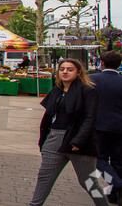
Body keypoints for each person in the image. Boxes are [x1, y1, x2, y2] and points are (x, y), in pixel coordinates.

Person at [29, 58, 108, 206]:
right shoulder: (57, 90)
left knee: (89, 181)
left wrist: (79, 140)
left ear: (78, 72)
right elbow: (48, 116)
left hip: (78, 142)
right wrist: (44, 139)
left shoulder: (88, 91)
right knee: (44, 176)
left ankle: (103, 204)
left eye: (70, 69)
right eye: (62, 69)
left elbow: (89, 118)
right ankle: (34, 204)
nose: (65, 72)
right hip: (54, 138)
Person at [90, 51, 122, 204]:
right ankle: (116, 194)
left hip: (99, 126)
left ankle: (117, 184)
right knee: (118, 161)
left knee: (100, 160)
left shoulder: (91, 80)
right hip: (119, 128)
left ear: (101, 63)